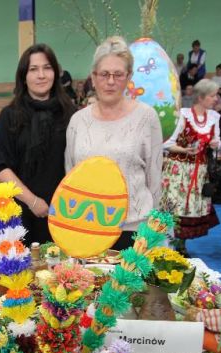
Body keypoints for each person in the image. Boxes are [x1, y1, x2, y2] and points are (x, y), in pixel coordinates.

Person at [65, 36, 163, 249]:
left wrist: (152, 229)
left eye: (118, 74)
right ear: (93, 76)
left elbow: (155, 179)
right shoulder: (78, 121)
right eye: (104, 74)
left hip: (134, 230)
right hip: (87, 229)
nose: (110, 81)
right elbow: (70, 174)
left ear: (129, 76)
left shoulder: (146, 117)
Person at [0, 44, 74, 245]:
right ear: (23, 76)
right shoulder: (9, 116)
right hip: (19, 213)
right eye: (33, 69)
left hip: (63, 214)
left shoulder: (71, 114)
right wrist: (33, 201)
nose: (41, 75)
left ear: (55, 73)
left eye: (47, 68)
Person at [161, 79, 221, 252]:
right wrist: (184, 150)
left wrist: (215, 144)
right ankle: (167, 245)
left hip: (199, 170)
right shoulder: (183, 115)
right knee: (173, 207)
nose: (216, 99)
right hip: (178, 170)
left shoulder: (214, 117)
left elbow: (217, 141)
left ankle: (181, 246)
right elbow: (166, 143)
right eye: (212, 95)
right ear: (201, 97)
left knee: (189, 210)